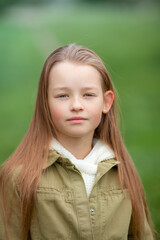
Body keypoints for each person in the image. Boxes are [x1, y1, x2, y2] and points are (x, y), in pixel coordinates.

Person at [0, 44, 155, 240]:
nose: (76, 106)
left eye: (88, 95)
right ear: (45, 103)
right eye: (63, 95)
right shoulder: (17, 177)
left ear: (106, 102)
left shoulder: (124, 174)